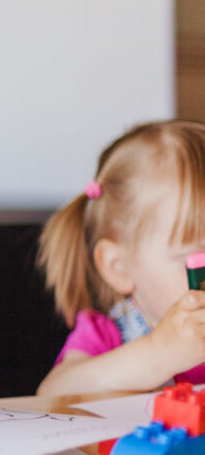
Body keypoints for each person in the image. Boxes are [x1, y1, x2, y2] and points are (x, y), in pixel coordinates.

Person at [36, 120, 205, 396]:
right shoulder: (107, 333)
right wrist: (160, 353)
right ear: (120, 267)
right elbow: (52, 393)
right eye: (199, 259)